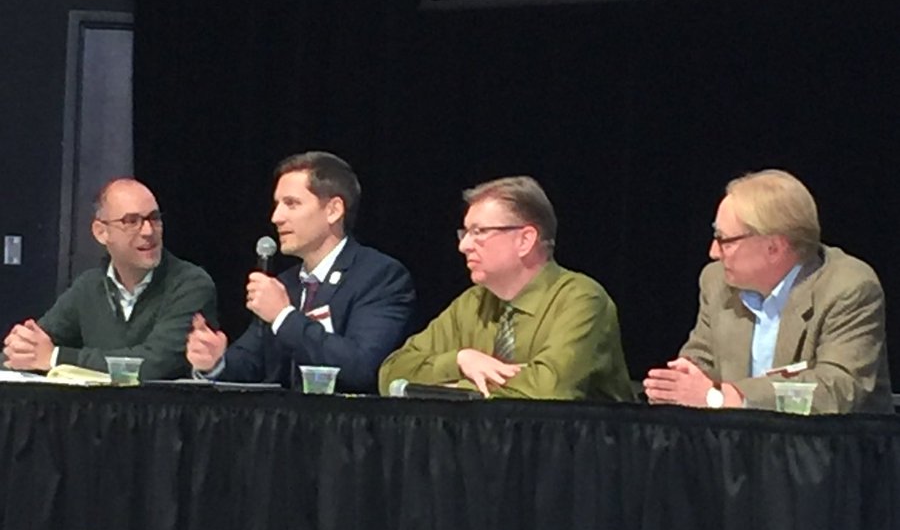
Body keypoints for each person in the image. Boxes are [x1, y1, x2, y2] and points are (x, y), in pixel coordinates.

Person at [643, 169, 892, 414]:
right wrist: (677, 383)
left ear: (773, 247)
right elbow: (702, 358)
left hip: (831, 450)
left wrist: (729, 396)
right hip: (740, 446)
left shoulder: (849, 287)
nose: (713, 252)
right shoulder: (716, 280)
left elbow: (837, 389)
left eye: (724, 240)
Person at [378, 175, 633, 401]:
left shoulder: (582, 299)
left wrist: (455, 389)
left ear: (525, 240)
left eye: (479, 231)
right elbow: (391, 373)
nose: (464, 245)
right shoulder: (472, 303)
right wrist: (459, 361)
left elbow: (548, 390)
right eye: (465, 232)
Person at [186, 151, 415, 390]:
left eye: (291, 204)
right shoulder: (285, 284)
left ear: (333, 210)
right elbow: (251, 364)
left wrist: (284, 316)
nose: (276, 217)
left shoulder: (380, 276)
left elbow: (362, 367)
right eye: (276, 205)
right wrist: (214, 362)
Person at [2, 178, 217, 381]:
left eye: (154, 218)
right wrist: (21, 349)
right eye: (131, 221)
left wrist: (56, 358)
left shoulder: (191, 284)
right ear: (101, 232)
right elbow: (37, 345)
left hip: (161, 418)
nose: (148, 231)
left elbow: (151, 366)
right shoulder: (89, 286)